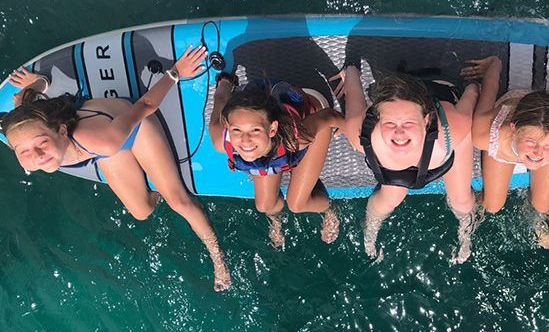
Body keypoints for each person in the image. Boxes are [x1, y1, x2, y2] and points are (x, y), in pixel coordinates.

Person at [2, 45, 232, 291]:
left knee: (177, 201)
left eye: (42, 144)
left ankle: (218, 258)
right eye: (23, 152)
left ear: (61, 131)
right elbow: (21, 101)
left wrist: (176, 72)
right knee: (141, 211)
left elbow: (144, 106)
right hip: (101, 149)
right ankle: (157, 186)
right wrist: (37, 83)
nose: (36, 156)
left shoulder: (101, 140)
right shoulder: (23, 126)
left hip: (131, 127)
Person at [331, 65, 479, 262]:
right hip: (415, 139)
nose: (399, 134)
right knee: (388, 201)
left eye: (408, 123)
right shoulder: (360, 135)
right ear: (377, 120)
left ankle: (465, 236)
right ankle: (370, 234)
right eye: (390, 124)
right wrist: (350, 72)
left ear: (426, 121)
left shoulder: (452, 128)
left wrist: (474, 89)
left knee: (461, 199)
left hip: (441, 111)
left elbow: (467, 107)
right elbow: (354, 99)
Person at [208, 75, 342, 248]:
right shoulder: (221, 141)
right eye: (237, 130)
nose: (245, 141)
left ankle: (329, 209)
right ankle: (276, 220)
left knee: (297, 204)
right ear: (228, 127)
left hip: (313, 116)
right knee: (264, 205)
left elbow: (329, 115)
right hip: (268, 142)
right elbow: (220, 100)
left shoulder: (296, 138)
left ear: (272, 130)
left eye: (254, 130)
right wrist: (225, 83)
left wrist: (352, 131)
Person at [463, 55, 549, 249]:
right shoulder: (487, 135)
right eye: (531, 142)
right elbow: (490, 90)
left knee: (542, 206)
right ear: (513, 128)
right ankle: (497, 62)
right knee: (491, 206)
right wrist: (493, 67)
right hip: (515, 109)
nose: (537, 152)